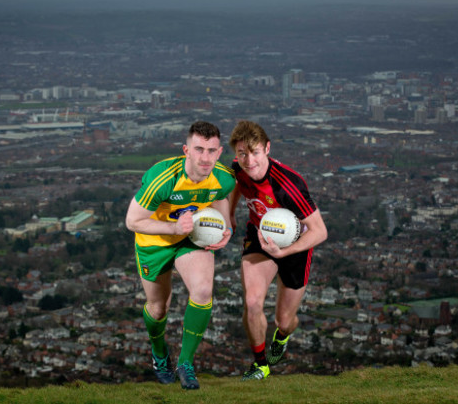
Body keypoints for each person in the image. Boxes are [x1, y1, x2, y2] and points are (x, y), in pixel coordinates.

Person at [125, 121, 235, 390]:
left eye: (211, 151)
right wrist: (173, 227)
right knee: (158, 307)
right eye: (199, 149)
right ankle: (160, 353)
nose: (205, 157)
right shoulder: (163, 178)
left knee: (202, 291)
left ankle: (185, 363)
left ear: (219, 152)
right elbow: (133, 221)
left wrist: (226, 226)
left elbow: (219, 197)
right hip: (154, 241)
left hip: (191, 237)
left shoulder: (223, 177)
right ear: (186, 150)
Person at [228, 120, 327, 381]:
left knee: (284, 320)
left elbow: (320, 231)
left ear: (267, 149)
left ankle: (281, 338)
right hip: (259, 236)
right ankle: (261, 365)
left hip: (295, 245)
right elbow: (237, 185)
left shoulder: (288, 185)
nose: (249, 161)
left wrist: (285, 252)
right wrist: (230, 214)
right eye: (242, 154)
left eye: (255, 152)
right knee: (251, 302)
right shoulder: (238, 169)